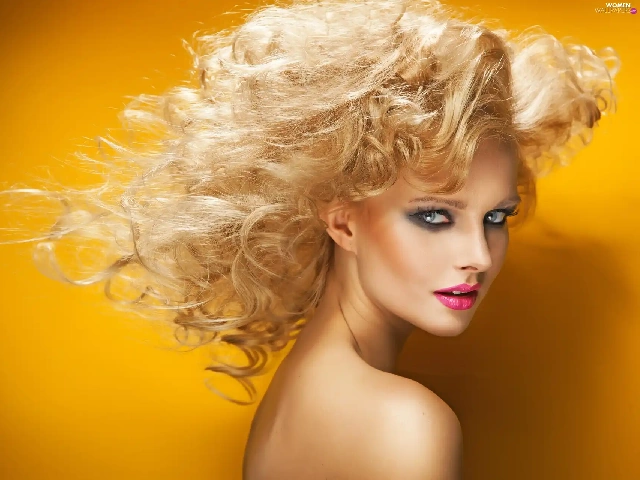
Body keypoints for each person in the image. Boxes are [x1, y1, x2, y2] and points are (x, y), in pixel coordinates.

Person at [0, 0, 620, 478]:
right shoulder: (403, 423)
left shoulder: (301, 390)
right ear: (342, 221)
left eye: (496, 217)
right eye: (434, 216)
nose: (478, 257)